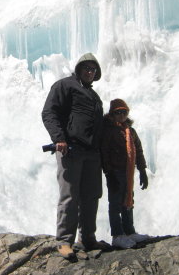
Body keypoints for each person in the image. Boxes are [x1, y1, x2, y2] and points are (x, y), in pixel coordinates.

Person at [42, 52, 109, 260]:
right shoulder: (64, 86)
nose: (90, 72)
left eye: (93, 69)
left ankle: (88, 238)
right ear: (79, 69)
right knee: (70, 196)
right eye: (87, 68)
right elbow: (49, 112)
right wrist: (59, 138)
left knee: (91, 195)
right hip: (70, 150)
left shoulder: (94, 96)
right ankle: (64, 241)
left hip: (92, 153)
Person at [101, 99, 150, 249]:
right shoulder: (109, 131)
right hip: (115, 172)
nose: (121, 115)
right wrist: (109, 173)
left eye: (124, 112)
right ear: (112, 114)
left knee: (128, 202)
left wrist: (142, 171)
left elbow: (139, 151)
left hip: (128, 173)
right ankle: (117, 235)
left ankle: (129, 231)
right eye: (118, 112)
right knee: (115, 204)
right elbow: (104, 152)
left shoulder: (130, 131)